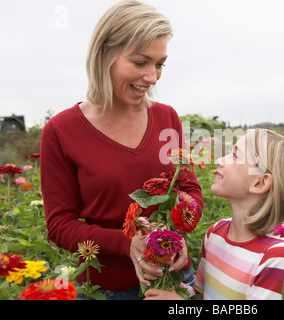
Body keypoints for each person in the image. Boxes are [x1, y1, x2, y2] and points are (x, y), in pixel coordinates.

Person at [40, 0, 203, 300]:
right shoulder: (61, 131)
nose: (152, 77)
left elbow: (189, 189)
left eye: (159, 64)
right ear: (105, 55)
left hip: (172, 282)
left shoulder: (167, 118)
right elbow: (60, 226)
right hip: (105, 289)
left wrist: (177, 236)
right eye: (140, 63)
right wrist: (125, 243)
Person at [144, 129, 284, 300]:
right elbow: (200, 295)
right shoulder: (215, 233)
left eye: (235, 156)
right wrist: (170, 284)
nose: (220, 160)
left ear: (259, 182)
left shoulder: (276, 256)